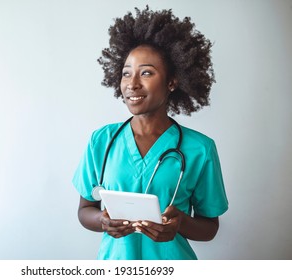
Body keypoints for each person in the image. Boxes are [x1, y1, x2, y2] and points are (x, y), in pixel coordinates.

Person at [72, 7, 228, 260]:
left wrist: (180, 225)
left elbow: (209, 226)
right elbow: (85, 210)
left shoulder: (200, 148)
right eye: (126, 73)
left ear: (172, 81)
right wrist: (103, 220)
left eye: (146, 72)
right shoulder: (101, 141)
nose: (132, 83)